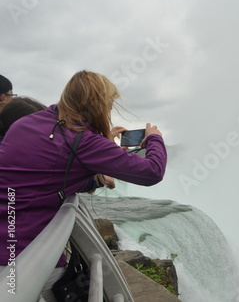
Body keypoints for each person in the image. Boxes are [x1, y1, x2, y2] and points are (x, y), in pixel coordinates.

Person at [0, 70, 167, 301]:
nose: (109, 110)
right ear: (99, 105)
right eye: (109, 104)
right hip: (27, 248)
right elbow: (152, 172)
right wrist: (154, 138)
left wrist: (105, 148)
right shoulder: (84, 142)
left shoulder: (26, 123)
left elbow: (45, 168)